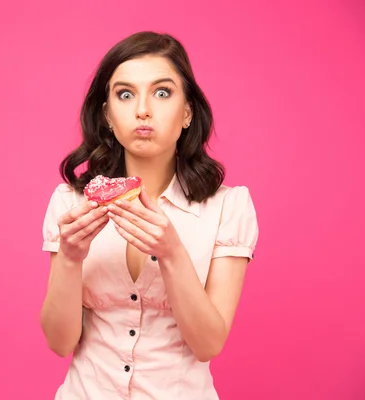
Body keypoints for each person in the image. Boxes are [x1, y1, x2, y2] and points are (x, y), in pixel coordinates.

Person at [39, 31, 259, 400]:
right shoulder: (70, 203)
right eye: (125, 94)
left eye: (162, 92)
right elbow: (60, 344)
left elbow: (207, 344)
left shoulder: (228, 208)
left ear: (187, 111)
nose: (143, 109)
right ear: (108, 114)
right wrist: (70, 259)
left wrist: (172, 253)